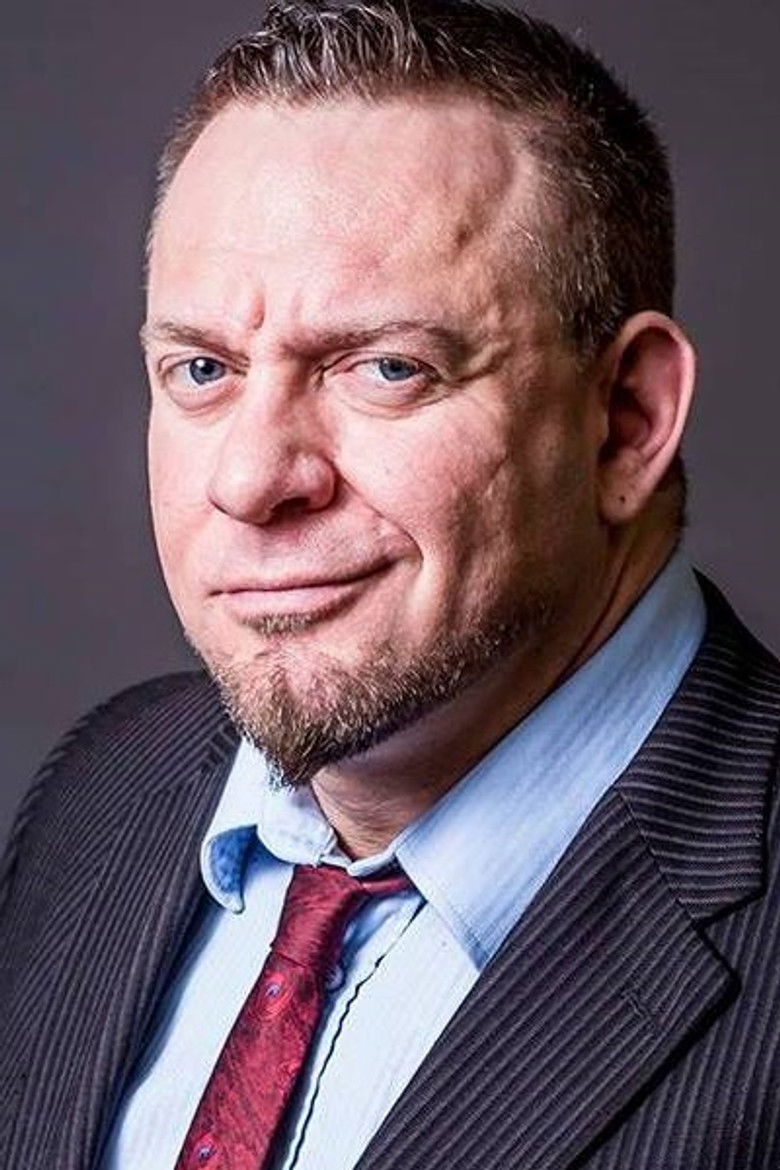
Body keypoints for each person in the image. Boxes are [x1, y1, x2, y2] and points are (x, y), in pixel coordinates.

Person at [2, 0, 779, 1167]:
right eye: (203, 369)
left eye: (386, 368)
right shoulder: (105, 790)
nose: (252, 481)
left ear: (626, 420)